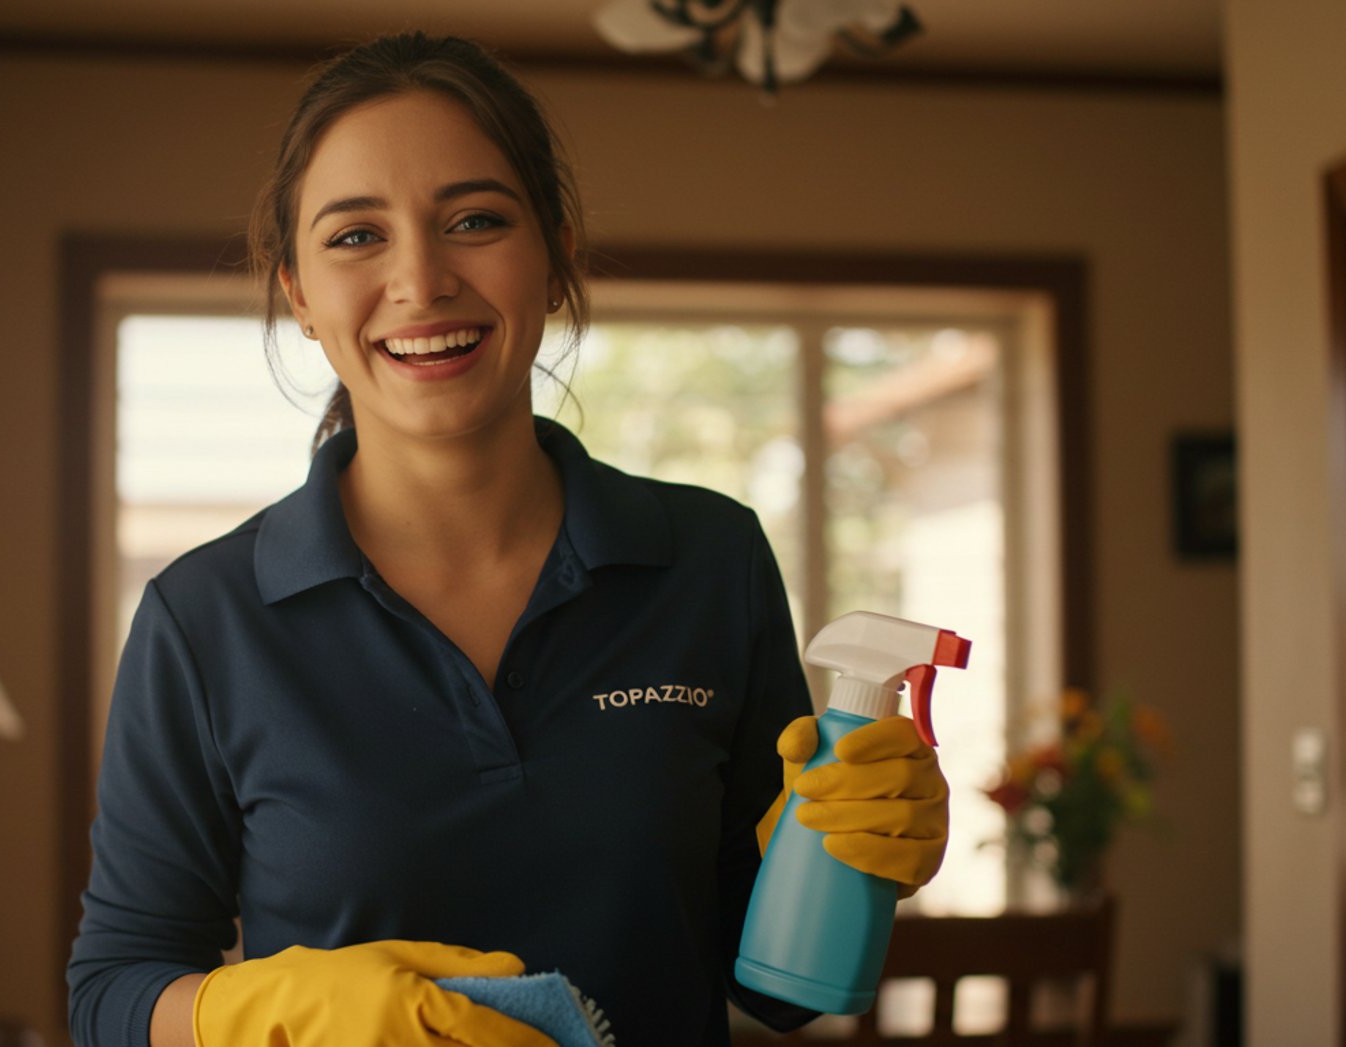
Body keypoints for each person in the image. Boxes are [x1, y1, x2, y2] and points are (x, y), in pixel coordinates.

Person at [66, 32, 950, 1047]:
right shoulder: (205, 617)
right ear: (300, 295)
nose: (421, 279)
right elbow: (109, 998)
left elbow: (783, 995)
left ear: (558, 254)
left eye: (475, 220)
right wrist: (265, 1011)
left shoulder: (712, 560)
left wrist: (847, 859)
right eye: (356, 236)